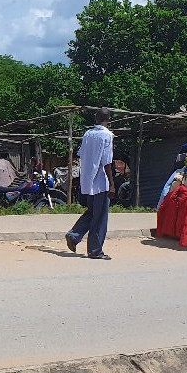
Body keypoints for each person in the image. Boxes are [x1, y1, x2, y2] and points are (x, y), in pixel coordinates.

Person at [65, 107, 116, 260]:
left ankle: (74, 235)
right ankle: (95, 250)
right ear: (109, 120)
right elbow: (107, 162)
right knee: (100, 217)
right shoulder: (107, 135)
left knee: (93, 212)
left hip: (88, 182)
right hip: (101, 182)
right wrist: (112, 184)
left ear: (96, 118)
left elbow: (81, 156)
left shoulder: (88, 134)